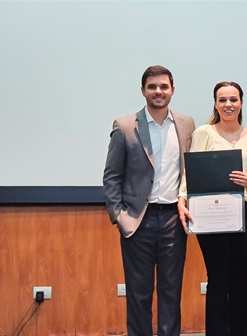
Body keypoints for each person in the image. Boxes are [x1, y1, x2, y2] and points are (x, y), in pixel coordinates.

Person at [102, 65, 196, 336]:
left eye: (164, 87)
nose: (158, 91)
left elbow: (197, 163)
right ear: (143, 90)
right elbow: (111, 176)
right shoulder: (125, 126)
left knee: (171, 293)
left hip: (173, 220)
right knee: (139, 294)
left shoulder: (187, 123)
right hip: (137, 222)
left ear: (173, 91)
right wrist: (120, 217)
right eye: (152, 86)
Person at [178, 81, 247, 336]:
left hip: (246, 212)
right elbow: (191, 173)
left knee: (240, 282)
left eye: (233, 99)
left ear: (241, 102)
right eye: (222, 100)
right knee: (217, 280)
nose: (228, 104)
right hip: (210, 214)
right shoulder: (204, 133)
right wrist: (182, 199)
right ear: (215, 104)